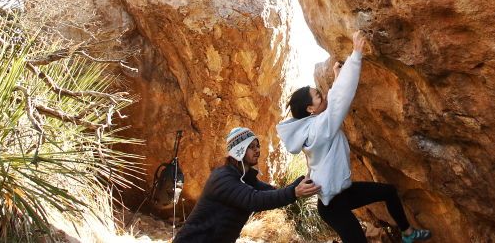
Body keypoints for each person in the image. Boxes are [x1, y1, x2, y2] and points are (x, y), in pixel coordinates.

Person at [277, 31, 432, 243]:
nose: (323, 95)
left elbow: (332, 101)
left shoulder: (313, 125)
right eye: (318, 95)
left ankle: (407, 233)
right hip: (333, 207)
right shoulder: (318, 129)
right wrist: (356, 54)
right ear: (310, 109)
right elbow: (339, 100)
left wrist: (338, 75)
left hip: (343, 193)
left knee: (388, 192)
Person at [173, 127, 321, 242]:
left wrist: (304, 180)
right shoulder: (223, 178)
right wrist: (294, 192)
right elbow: (254, 200)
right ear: (239, 150)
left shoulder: (244, 178)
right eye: (251, 147)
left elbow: (274, 193)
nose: (257, 150)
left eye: (257, 146)